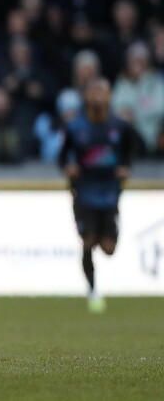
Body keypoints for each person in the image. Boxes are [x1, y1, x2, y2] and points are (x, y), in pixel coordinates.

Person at [58, 77, 136, 313]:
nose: (98, 96)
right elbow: (63, 156)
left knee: (109, 249)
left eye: (102, 92)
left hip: (110, 193)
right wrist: (68, 168)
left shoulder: (120, 126)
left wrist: (126, 166)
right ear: (86, 97)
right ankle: (93, 290)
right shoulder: (75, 127)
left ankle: (98, 247)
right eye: (93, 92)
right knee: (88, 240)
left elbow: (132, 148)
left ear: (110, 96)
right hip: (84, 192)